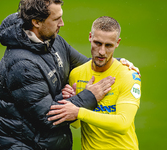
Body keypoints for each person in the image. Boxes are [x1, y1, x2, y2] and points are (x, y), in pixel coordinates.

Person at [47, 16, 141, 150]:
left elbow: (123, 124)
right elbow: (77, 124)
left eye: (108, 45)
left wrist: (78, 111)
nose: (102, 51)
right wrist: (72, 100)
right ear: (90, 37)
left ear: (117, 42)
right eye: (97, 43)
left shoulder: (128, 75)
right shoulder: (77, 73)